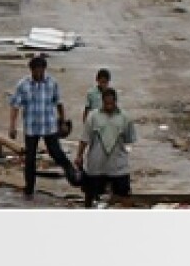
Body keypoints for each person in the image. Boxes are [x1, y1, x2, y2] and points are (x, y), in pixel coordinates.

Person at [8, 54, 78, 199]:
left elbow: (59, 103)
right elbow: (15, 106)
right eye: (36, 70)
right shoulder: (23, 85)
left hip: (49, 126)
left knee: (57, 153)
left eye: (41, 69)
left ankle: (73, 175)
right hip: (31, 127)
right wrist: (12, 126)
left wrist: (63, 122)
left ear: (44, 69)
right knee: (30, 159)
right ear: (31, 70)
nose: (38, 73)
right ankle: (29, 189)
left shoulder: (52, 83)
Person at [73, 86, 137, 207]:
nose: (108, 106)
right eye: (106, 103)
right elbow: (84, 139)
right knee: (89, 193)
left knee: (124, 195)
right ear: (102, 101)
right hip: (96, 164)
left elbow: (129, 140)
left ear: (115, 102)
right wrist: (79, 156)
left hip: (118, 165)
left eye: (111, 104)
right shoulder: (93, 117)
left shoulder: (125, 118)